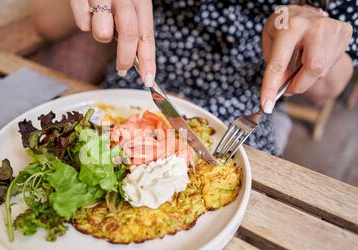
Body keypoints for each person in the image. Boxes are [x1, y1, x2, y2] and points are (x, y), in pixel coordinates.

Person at [30, 0, 357, 154]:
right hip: (137, 88)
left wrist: (308, 42)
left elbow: (324, 92)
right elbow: (46, 21)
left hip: (238, 118)